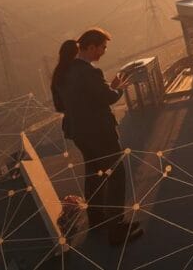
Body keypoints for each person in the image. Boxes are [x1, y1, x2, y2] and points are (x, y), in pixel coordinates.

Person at [56, 28, 143, 245]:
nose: (103, 52)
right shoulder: (89, 71)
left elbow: (63, 104)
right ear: (92, 46)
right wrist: (118, 89)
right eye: (102, 47)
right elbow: (107, 98)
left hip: (79, 133)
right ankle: (116, 229)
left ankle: (97, 221)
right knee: (116, 174)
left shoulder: (64, 71)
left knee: (94, 173)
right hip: (99, 132)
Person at [50, 39, 79, 139]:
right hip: (86, 123)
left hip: (72, 127)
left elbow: (58, 106)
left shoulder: (57, 74)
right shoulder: (77, 71)